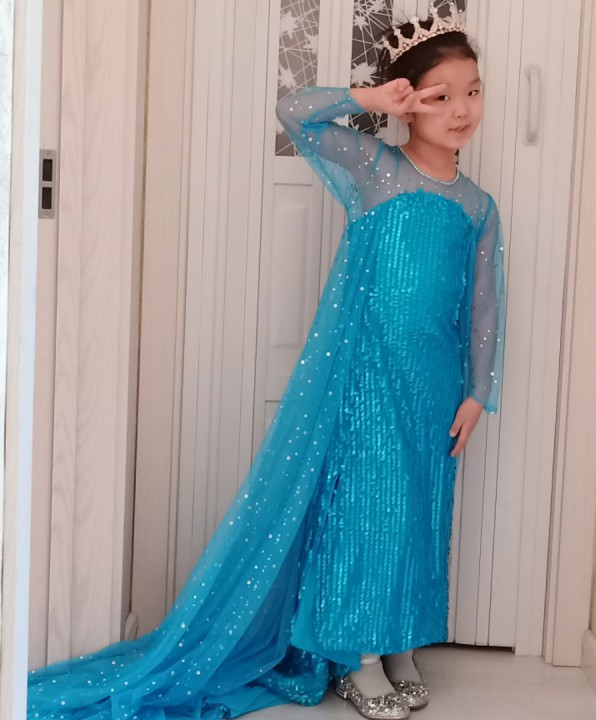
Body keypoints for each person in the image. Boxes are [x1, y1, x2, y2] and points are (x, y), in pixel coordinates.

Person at [25, 5, 505, 720]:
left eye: (473, 92)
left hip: (434, 386)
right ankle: (358, 655)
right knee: (368, 509)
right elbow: (295, 113)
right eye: (441, 95)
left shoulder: (477, 205)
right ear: (409, 100)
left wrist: (477, 392)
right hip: (368, 380)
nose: (461, 109)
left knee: (420, 513)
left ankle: (401, 640)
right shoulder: (376, 169)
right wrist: (369, 98)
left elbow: (486, 308)